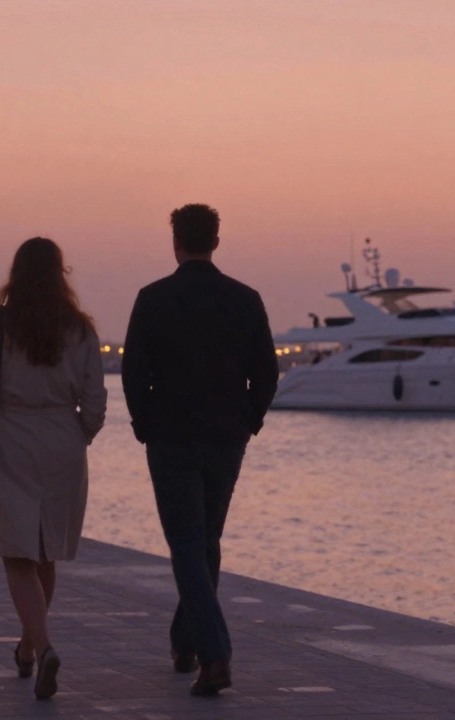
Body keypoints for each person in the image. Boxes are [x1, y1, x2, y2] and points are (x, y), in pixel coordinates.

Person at [121, 204, 279, 696]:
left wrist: (145, 423)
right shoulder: (245, 299)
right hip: (226, 438)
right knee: (204, 541)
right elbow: (267, 374)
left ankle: (214, 656)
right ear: (216, 240)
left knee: (188, 544)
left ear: (176, 242)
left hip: (171, 437)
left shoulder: (153, 298)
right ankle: (185, 641)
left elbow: (133, 373)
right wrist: (248, 421)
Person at [0, 237, 107, 700]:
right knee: (45, 549)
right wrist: (81, 432)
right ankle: (27, 648)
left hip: (15, 435)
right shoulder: (80, 328)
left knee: (16, 552)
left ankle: (42, 647)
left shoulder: (0, 323)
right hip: (64, 439)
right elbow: (97, 398)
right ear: (60, 273)